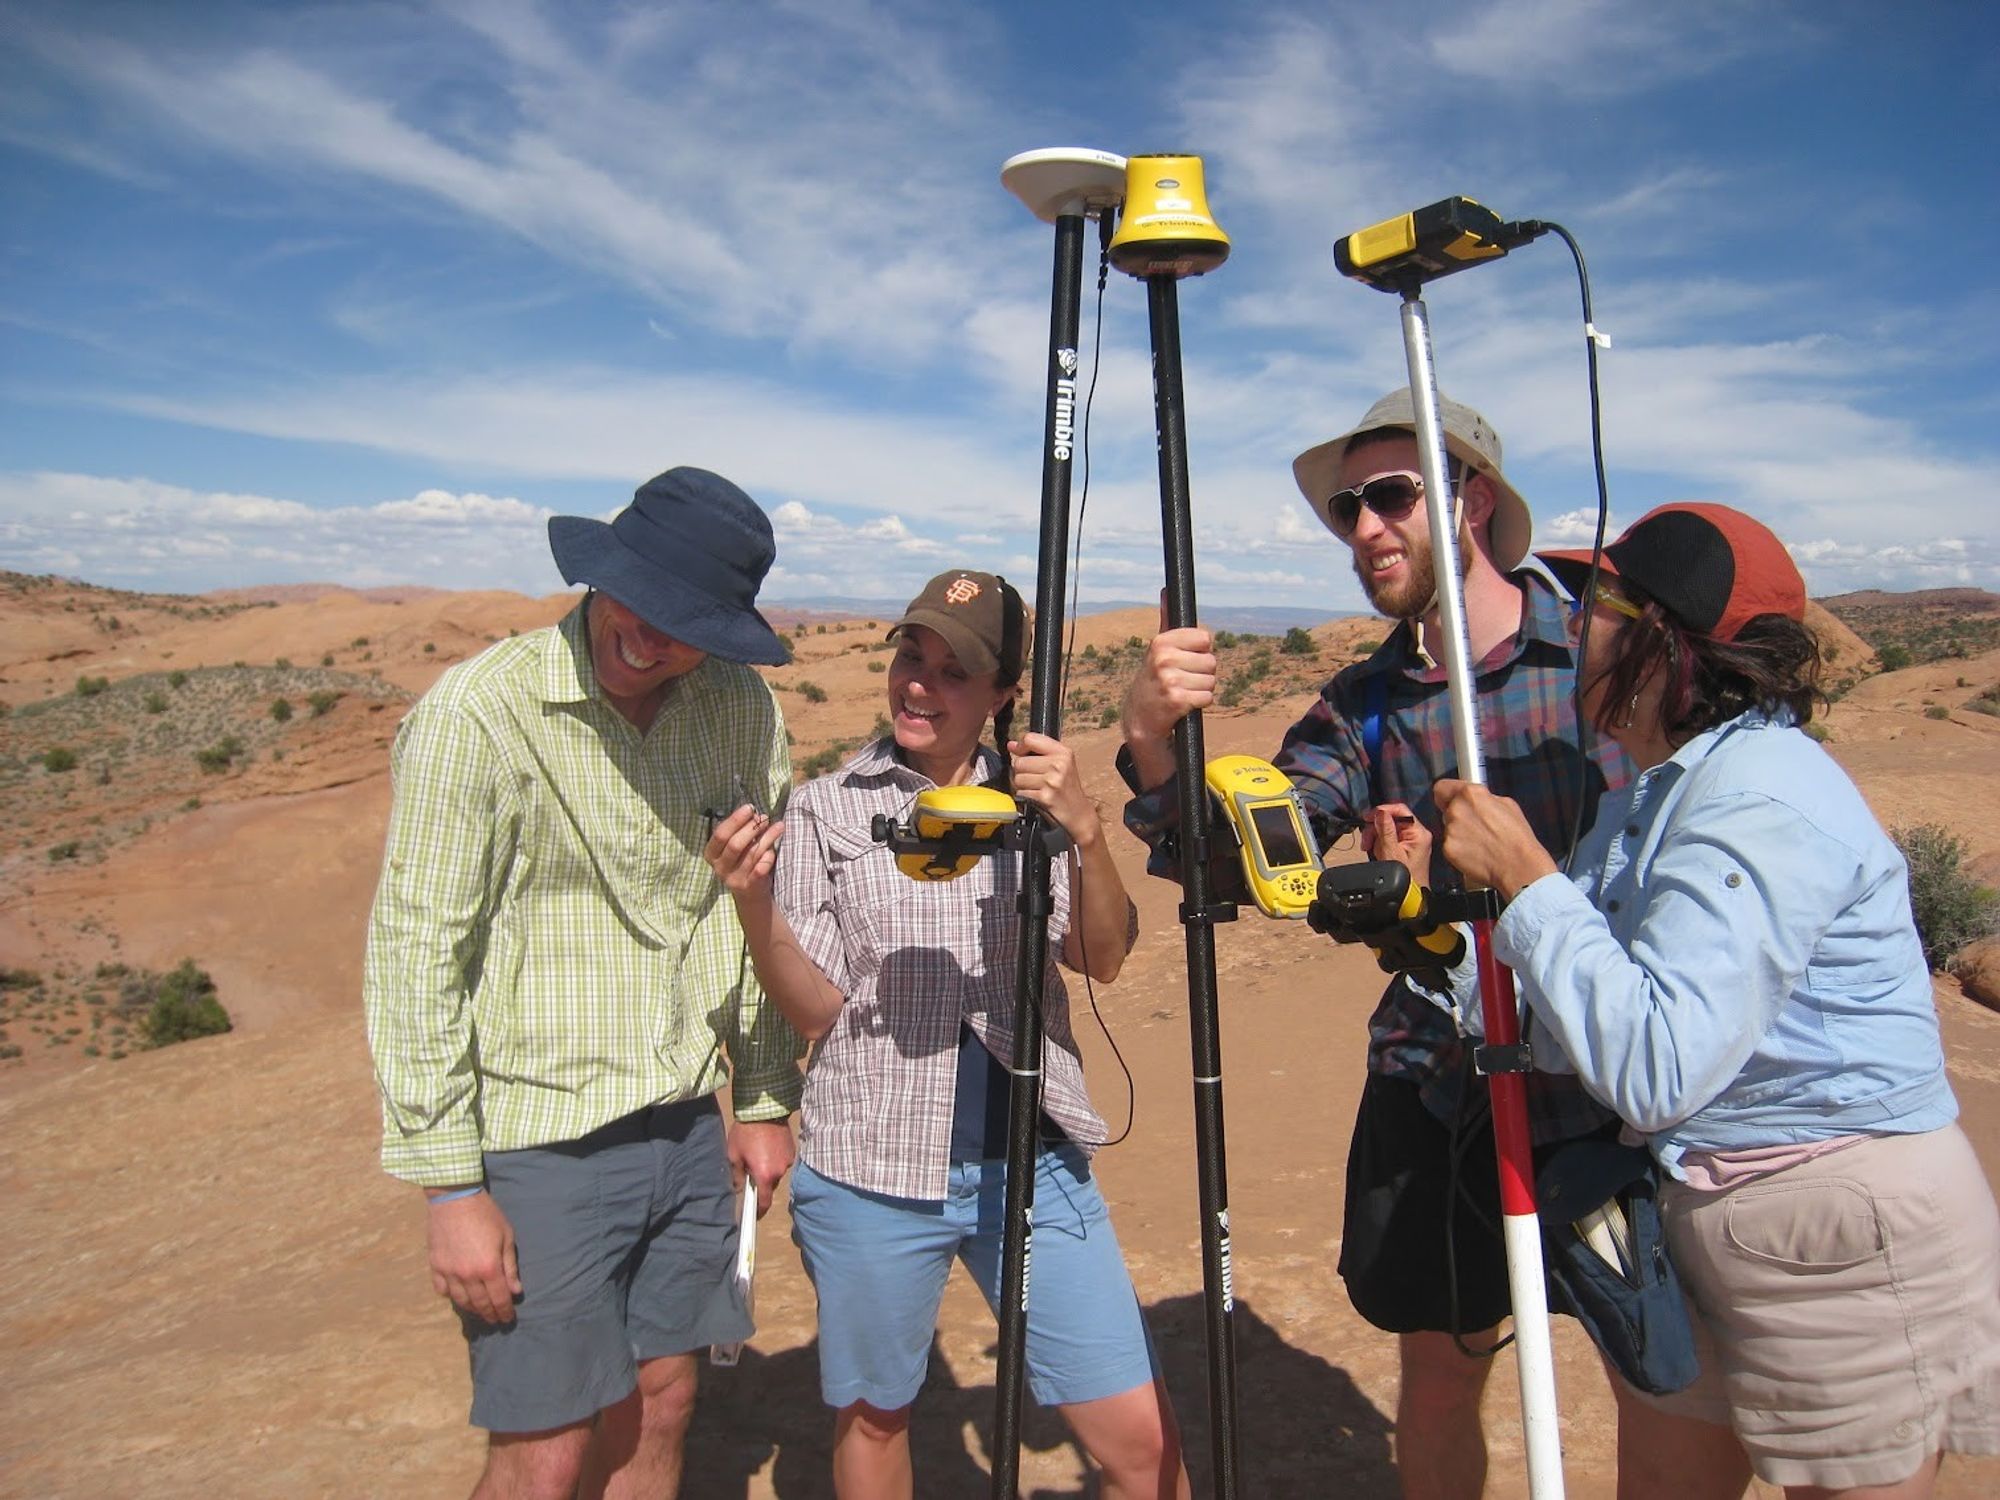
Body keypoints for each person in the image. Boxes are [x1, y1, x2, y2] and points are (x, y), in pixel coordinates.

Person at [1118, 389, 1651, 1498]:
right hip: (1442, 1085)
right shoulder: (1357, 707)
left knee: (1656, 1372)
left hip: (1611, 1083)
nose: (1363, 528)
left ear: (1473, 501)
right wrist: (1154, 750)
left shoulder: (1598, 663)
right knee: (1440, 1368)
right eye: (1347, 509)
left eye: (1391, 496)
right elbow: (1241, 869)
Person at [1428, 502, 2000, 1500]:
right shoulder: (1647, 796)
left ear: (1662, 640)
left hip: (1837, 1234)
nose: (1570, 629)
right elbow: (1570, 1022)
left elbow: (1653, 1065)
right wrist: (1433, 937)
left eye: (1593, 604)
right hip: (1699, 1208)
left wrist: (1526, 880)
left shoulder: (1757, 799)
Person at [362, 467, 805, 1500]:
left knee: (661, 1401)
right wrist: (451, 1187)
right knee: (544, 1442)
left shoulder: (738, 707)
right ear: (601, 576)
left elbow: (748, 907)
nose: (650, 641)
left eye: (684, 624)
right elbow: (416, 953)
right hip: (534, 1135)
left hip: (685, 1126)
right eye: (638, 604)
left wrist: (766, 1096)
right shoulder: (478, 715)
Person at [704, 568, 1188, 1499]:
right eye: (910, 657)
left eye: (954, 670)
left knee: (1139, 1444)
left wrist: (1082, 830)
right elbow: (815, 1010)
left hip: (1033, 1163)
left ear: (1005, 694)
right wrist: (754, 901)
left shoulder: (1037, 800)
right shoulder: (829, 807)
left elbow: (1105, 954)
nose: (919, 684)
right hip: (874, 1166)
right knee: (876, 1415)